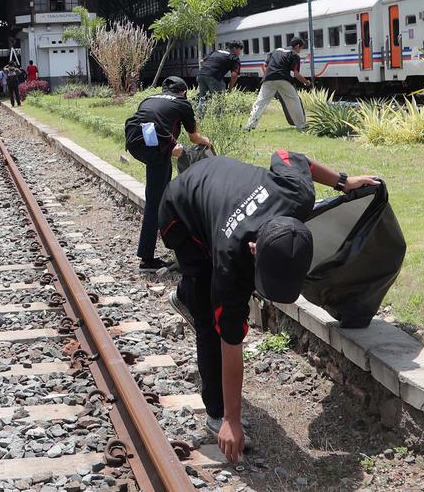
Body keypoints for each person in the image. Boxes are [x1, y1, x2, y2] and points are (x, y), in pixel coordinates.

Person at [157, 150, 378, 463]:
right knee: (210, 322)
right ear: (253, 249)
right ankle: (216, 413)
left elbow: (289, 156)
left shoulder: (298, 195)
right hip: (181, 212)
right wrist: (232, 421)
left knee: (219, 314)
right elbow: (231, 343)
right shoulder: (231, 261)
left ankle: (192, 297)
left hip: (221, 182)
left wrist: (344, 182)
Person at [127, 76, 212, 273]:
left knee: (159, 194)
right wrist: (206, 141)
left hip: (137, 144)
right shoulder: (183, 103)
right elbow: (194, 136)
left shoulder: (148, 99)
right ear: (183, 92)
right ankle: (147, 259)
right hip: (157, 148)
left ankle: (168, 241)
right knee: (155, 202)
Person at [244, 38, 310, 131]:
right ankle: (301, 125)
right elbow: (296, 74)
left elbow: (265, 65)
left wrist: (268, 75)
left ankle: (249, 125)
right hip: (283, 79)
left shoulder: (276, 51)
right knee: (294, 101)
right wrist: (306, 82)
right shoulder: (294, 55)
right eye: (301, 48)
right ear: (297, 46)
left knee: (260, 102)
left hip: (268, 79)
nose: (300, 51)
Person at [196, 41, 243, 112]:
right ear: (235, 48)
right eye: (240, 50)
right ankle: (219, 120)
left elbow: (202, 61)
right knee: (219, 101)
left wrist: (208, 70)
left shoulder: (216, 51)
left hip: (201, 75)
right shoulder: (234, 57)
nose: (240, 53)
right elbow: (234, 75)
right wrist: (230, 88)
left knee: (202, 98)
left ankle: (199, 117)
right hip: (213, 77)